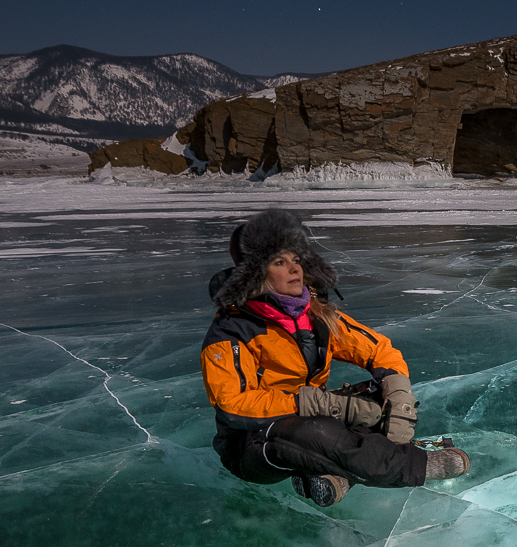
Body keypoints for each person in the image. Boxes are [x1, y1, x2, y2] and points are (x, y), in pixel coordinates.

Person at [200, 208, 470, 505]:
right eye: (280, 262)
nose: (294, 270)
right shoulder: (231, 330)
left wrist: (398, 393)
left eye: (296, 260)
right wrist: (322, 403)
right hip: (252, 442)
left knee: (372, 399)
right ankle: (412, 465)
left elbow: (379, 349)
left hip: (311, 420)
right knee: (313, 431)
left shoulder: (314, 314)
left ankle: (339, 477)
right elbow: (233, 406)